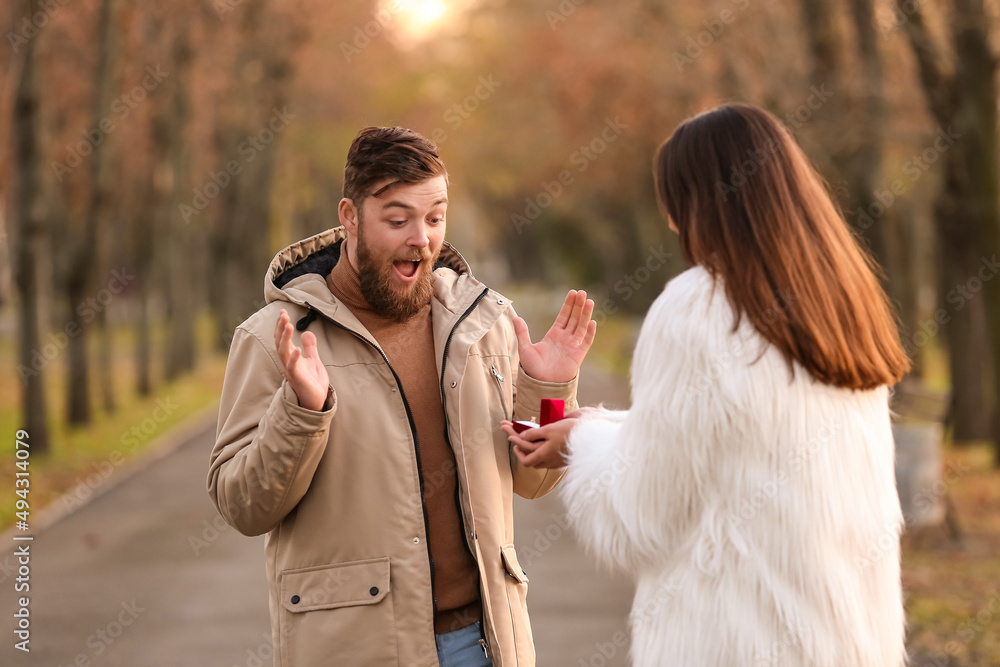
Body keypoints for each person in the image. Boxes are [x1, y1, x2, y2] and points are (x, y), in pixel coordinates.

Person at [502, 103, 911, 667]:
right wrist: (596, 425)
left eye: (674, 203)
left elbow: (641, 516)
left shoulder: (698, 310)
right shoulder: (842, 302)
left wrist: (576, 446)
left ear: (698, 204)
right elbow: (737, 443)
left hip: (740, 640)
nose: (672, 223)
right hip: (849, 640)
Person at [208, 126, 596, 667]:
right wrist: (301, 412)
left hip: (485, 644)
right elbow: (244, 505)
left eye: (435, 218)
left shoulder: (483, 323)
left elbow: (534, 480)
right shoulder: (277, 338)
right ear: (350, 217)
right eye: (397, 220)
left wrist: (548, 390)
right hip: (355, 650)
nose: (421, 239)